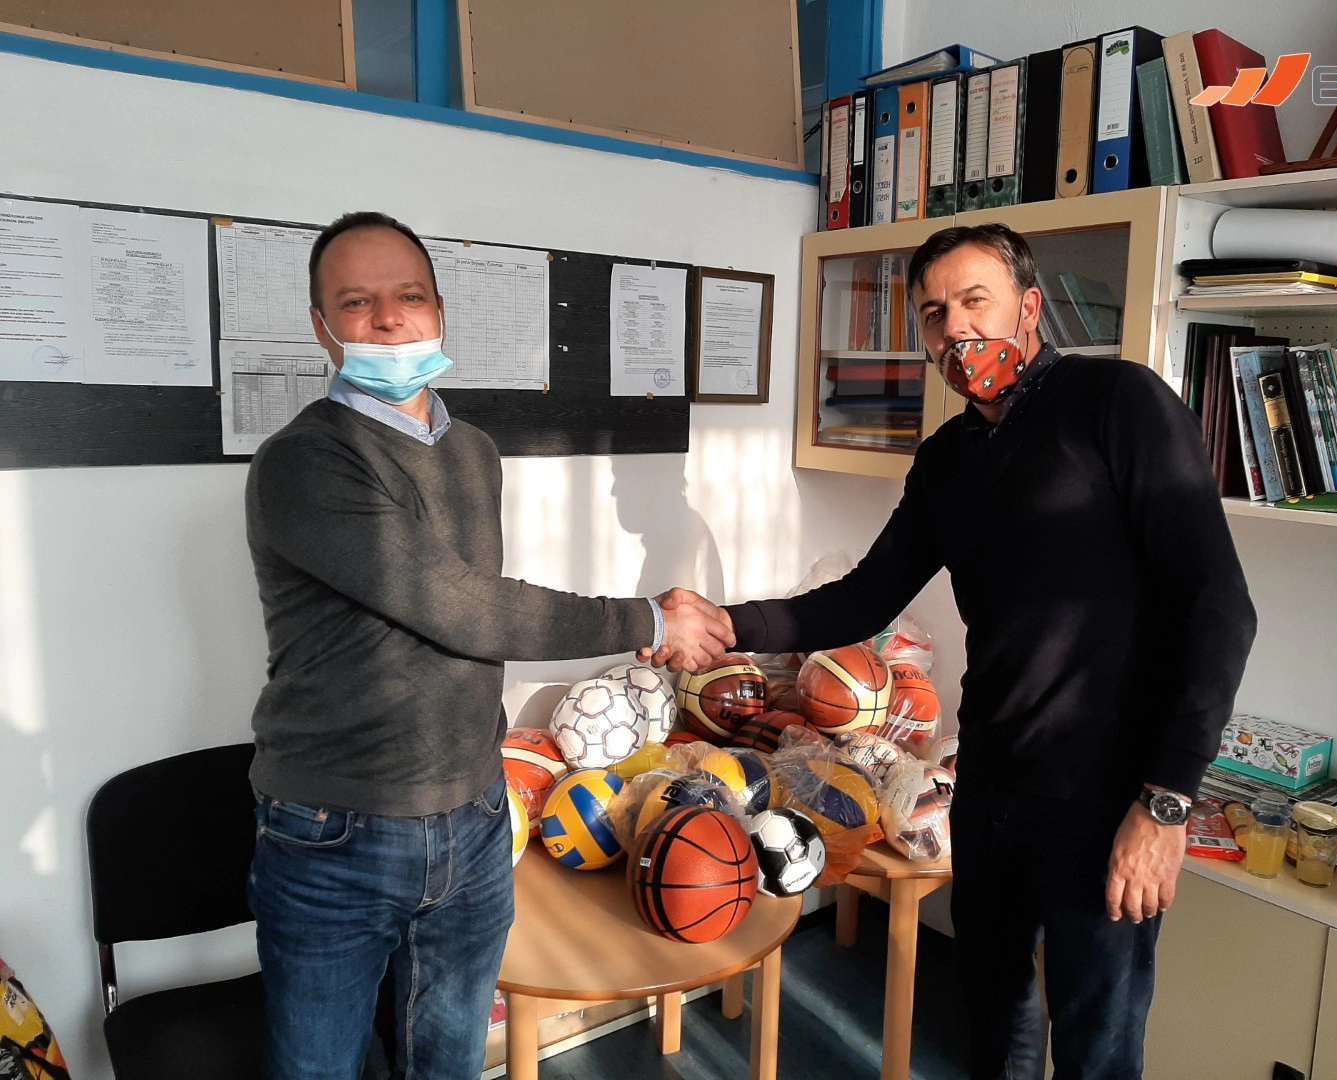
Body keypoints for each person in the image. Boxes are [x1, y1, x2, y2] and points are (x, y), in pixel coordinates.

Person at [648, 223, 1257, 1079]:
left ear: (1029, 306)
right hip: (993, 786)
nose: (957, 330)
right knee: (996, 1026)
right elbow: (861, 598)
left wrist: (1165, 805)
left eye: (976, 301)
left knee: (1098, 1046)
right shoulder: (947, 460)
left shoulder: (1119, 403)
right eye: (934, 315)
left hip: (1110, 795)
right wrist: (725, 623)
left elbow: (1220, 610)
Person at [243, 210, 733, 1080]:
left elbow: (468, 625)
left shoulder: (472, 451)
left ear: (439, 311)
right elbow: (463, 608)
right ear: (321, 327)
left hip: (473, 817)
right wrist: (651, 622)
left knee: (451, 1063)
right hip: (336, 831)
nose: (387, 319)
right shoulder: (304, 461)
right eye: (355, 302)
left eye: (409, 296)